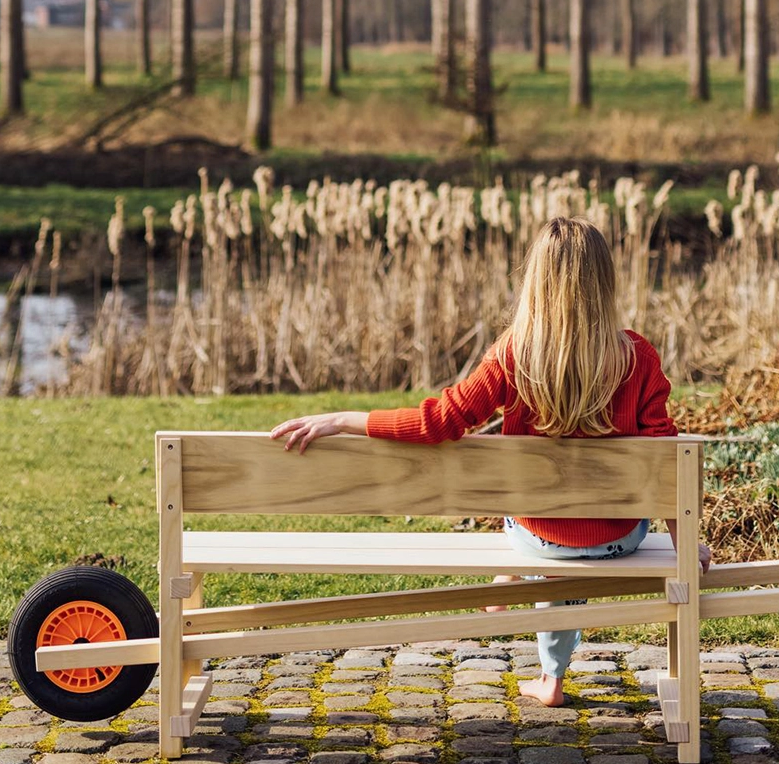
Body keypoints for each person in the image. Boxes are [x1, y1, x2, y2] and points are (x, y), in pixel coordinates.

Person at [271, 216, 711, 707]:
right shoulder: (638, 358)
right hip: (618, 538)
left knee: (543, 536)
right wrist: (685, 545)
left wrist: (344, 419)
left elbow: (439, 421)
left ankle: (522, 594)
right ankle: (551, 675)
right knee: (569, 538)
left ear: (536, 282)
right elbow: (668, 462)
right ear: (605, 281)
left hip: (537, 535)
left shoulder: (515, 355)